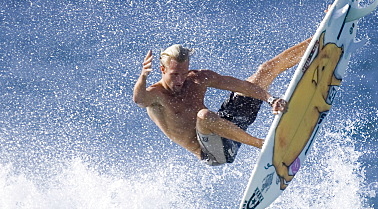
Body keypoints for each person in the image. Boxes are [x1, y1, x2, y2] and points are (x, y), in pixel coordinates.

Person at [132, 39, 311, 165]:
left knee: (264, 71)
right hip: (213, 152)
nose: (180, 80)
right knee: (203, 115)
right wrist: (143, 77)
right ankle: (264, 145)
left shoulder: (197, 78)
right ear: (162, 69)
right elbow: (139, 100)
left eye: (183, 73)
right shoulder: (156, 95)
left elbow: (242, 86)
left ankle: (317, 42)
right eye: (174, 75)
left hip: (226, 126)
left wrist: (271, 99)